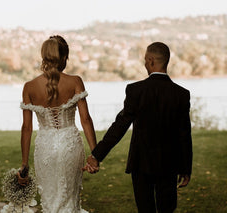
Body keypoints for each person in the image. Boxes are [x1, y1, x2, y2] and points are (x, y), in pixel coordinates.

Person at [84, 42, 193, 213]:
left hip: (141, 163)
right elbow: (184, 134)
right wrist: (186, 168)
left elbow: (120, 126)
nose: (144, 64)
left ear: (150, 61)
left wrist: (97, 154)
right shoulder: (181, 94)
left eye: (145, 60)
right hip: (169, 163)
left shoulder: (136, 90)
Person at [17, 35, 97, 213]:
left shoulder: (29, 87)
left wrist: (24, 164)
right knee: (70, 200)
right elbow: (86, 119)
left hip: (44, 148)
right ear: (64, 58)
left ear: (43, 57)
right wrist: (95, 153)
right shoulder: (75, 81)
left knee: (49, 200)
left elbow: (27, 128)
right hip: (70, 145)